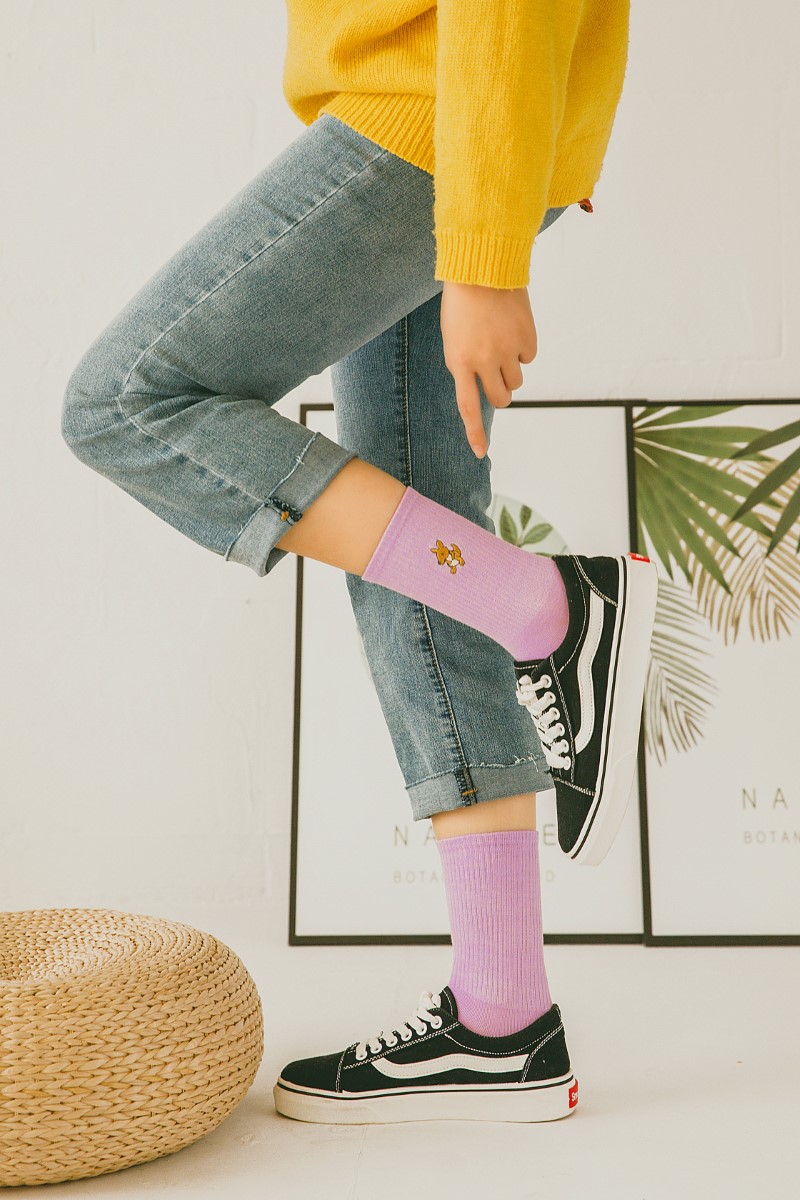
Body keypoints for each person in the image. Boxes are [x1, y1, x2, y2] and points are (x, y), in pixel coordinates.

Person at [61, 0, 656, 1125]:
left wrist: (484, 250)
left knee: (127, 400)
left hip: (427, 115)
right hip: (443, 123)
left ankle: (547, 606)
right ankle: (502, 1020)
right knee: (418, 531)